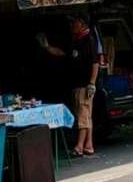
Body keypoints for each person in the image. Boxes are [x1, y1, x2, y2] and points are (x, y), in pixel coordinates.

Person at [43, 13, 102, 157]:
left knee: (82, 115)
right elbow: (63, 53)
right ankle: (89, 145)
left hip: (84, 84)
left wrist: (92, 83)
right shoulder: (76, 40)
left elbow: (95, 63)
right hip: (77, 84)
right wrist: (47, 47)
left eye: (74, 22)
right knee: (86, 114)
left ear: (82, 24)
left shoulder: (89, 40)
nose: (72, 25)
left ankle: (79, 146)